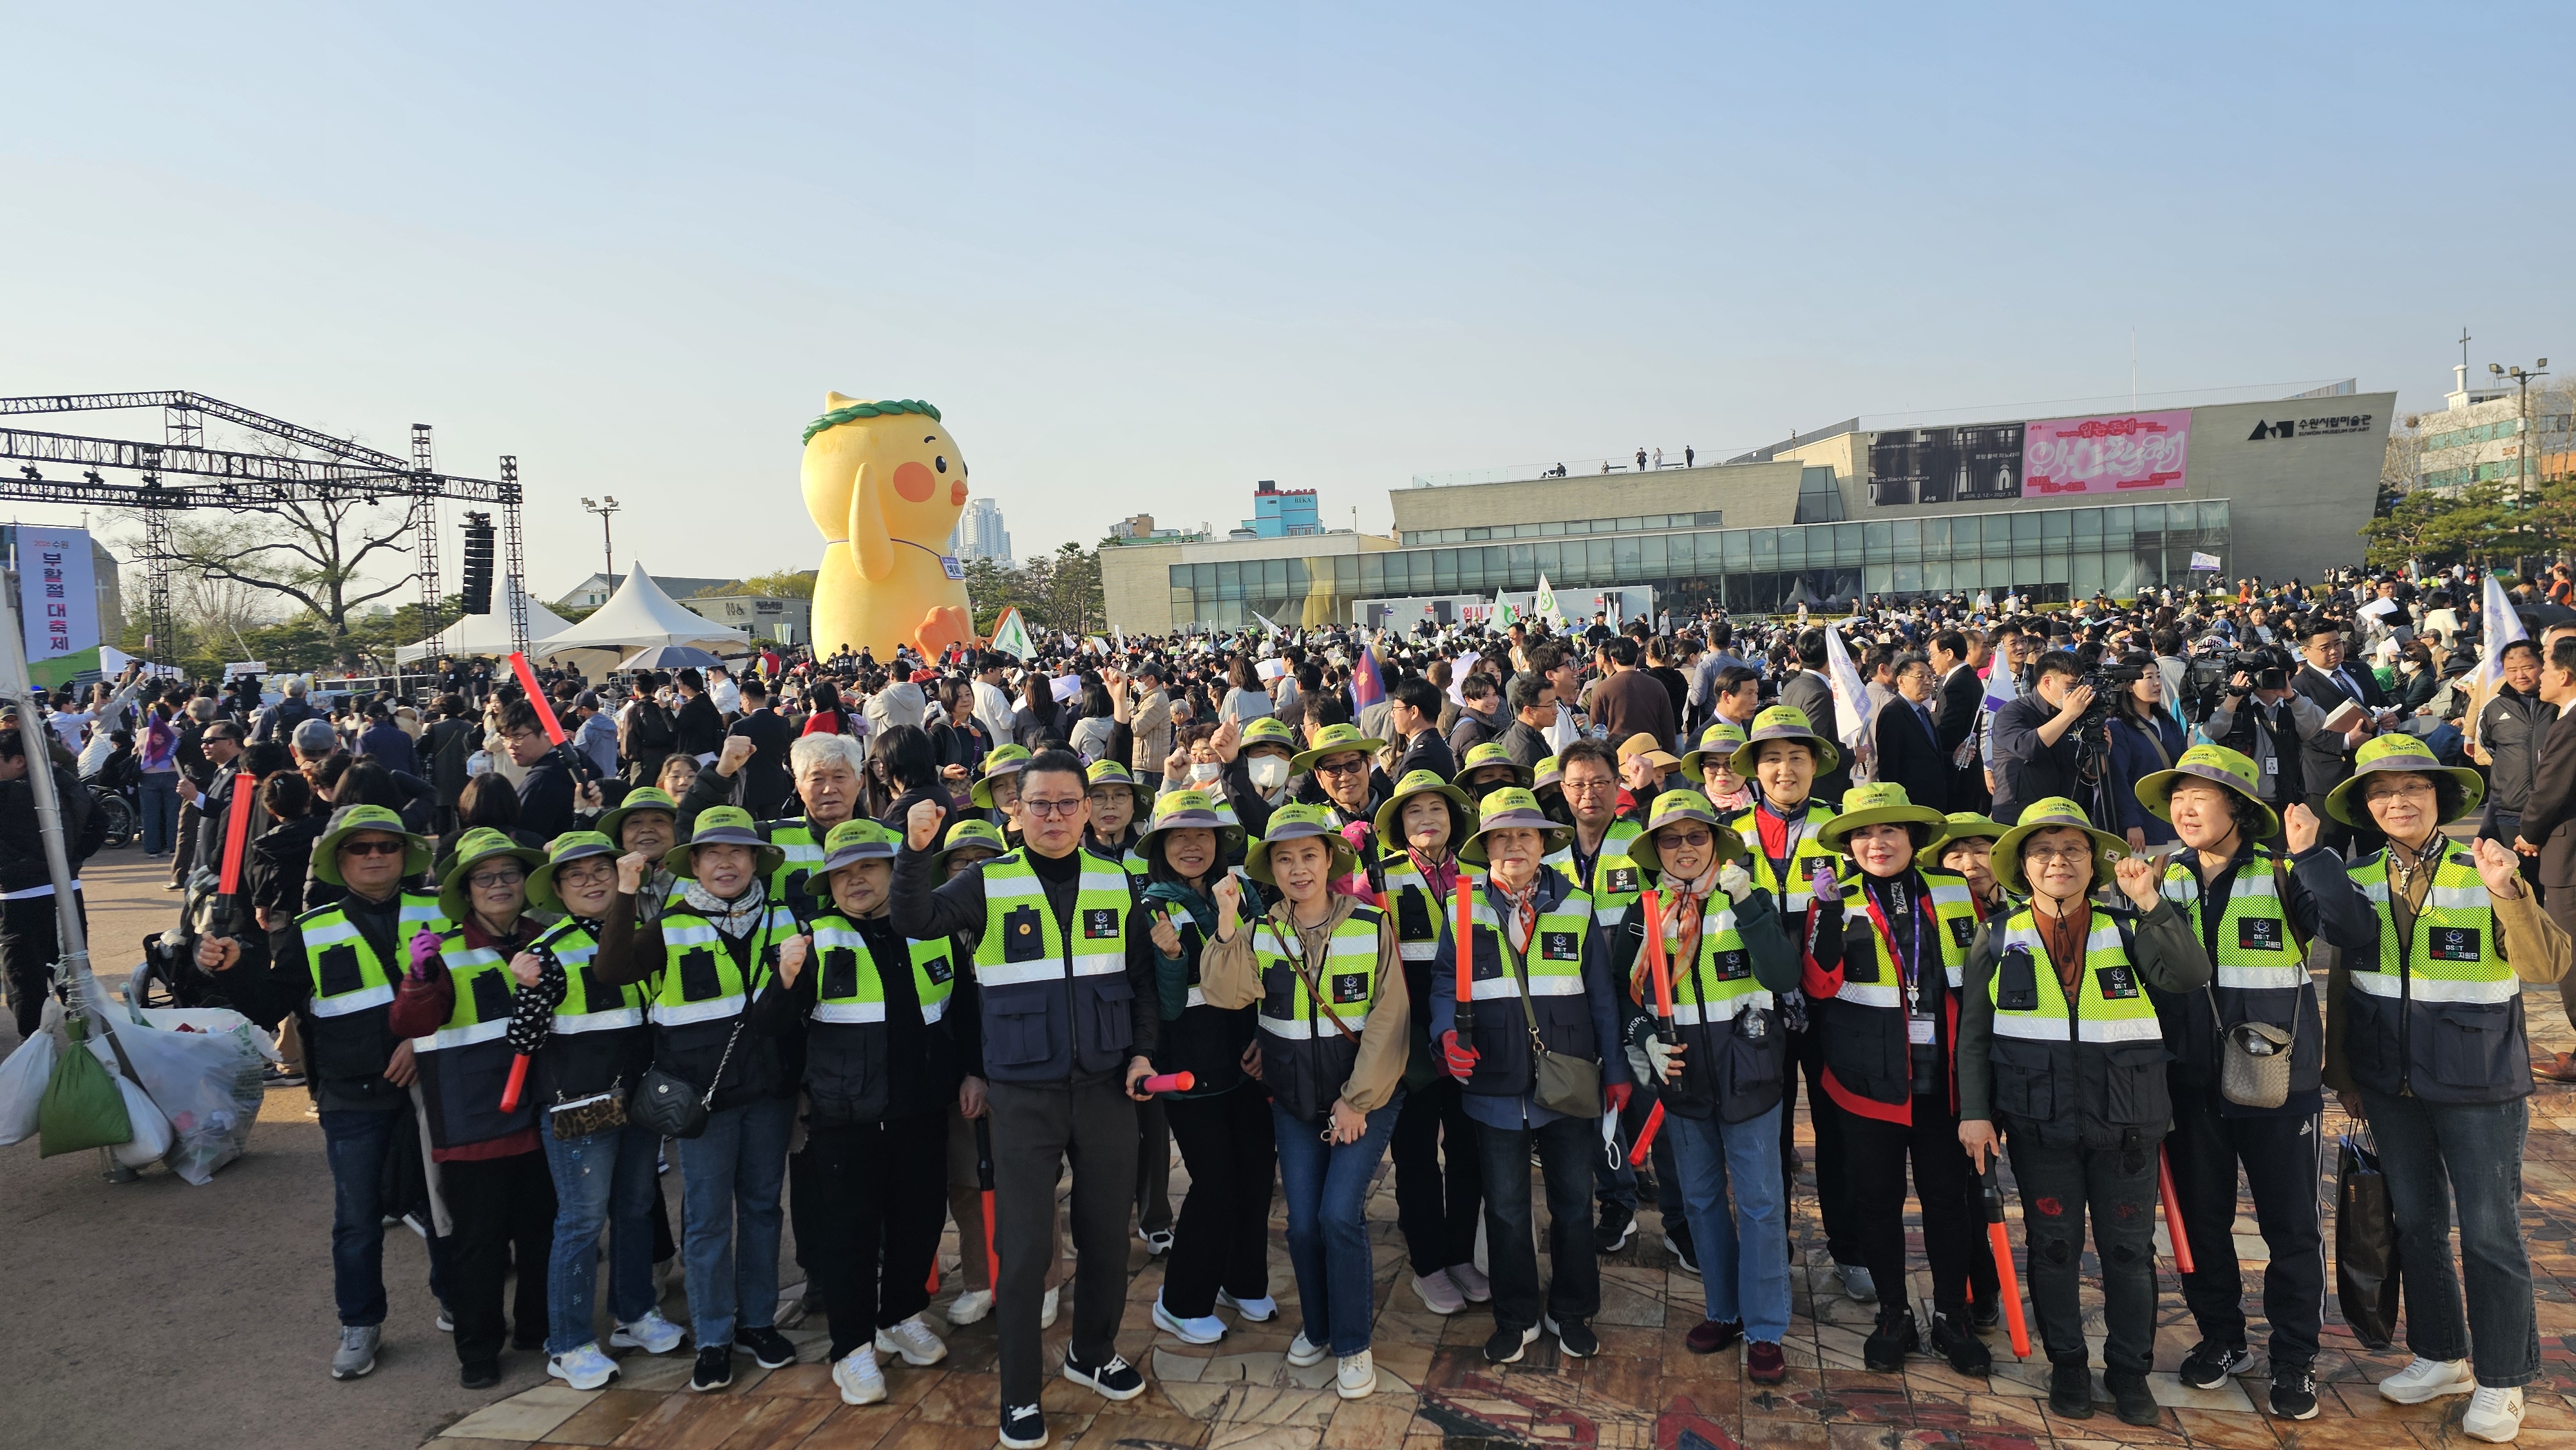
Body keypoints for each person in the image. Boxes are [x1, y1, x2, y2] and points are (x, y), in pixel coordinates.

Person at [892, 748, 1160, 1450]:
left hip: (1105, 1088)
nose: (1054, 816)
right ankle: (1018, 1393)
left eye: (1068, 803)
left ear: (1086, 808)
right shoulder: (987, 881)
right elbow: (913, 918)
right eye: (1039, 803)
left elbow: (1139, 979)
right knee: (1024, 1248)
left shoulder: (1116, 879)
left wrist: (1142, 1053)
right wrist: (914, 853)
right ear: (1016, 809)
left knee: (1107, 1237)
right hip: (1022, 1094)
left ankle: (1092, 1351)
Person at [2322, 735, 2567, 1444]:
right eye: (2381, 791)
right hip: (2389, 1083)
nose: (2397, 801)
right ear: (2366, 807)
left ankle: (2503, 1377)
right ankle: (2441, 1354)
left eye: (2413, 787)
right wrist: (2346, 1076)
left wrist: (2506, 892)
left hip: (2479, 1082)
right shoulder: (2356, 876)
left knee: (2490, 1231)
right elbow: (2344, 983)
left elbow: (2546, 963)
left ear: (2440, 797)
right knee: (2415, 1224)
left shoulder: (2483, 866)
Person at [1956, 797, 2211, 1427]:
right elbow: (1975, 1034)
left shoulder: (2127, 926)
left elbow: (2188, 974)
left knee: (2128, 1252)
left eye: (2072, 849)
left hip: (2127, 1123)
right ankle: (2068, 1363)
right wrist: (1976, 1111)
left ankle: (2129, 1370)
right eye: (2043, 850)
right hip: (2039, 1123)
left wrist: (2151, 903)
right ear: (2023, 865)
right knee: (2053, 1247)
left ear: (2093, 862)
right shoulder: (1998, 935)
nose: (2058, 861)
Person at [193, 804, 450, 1381]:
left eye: (387, 845)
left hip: (434, 1088)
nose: (376, 856)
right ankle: (360, 1323)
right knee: (357, 1219)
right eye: (361, 847)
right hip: (351, 1096)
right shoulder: (312, 928)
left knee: (443, 1205)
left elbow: (471, 995)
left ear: (405, 854)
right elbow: (268, 1005)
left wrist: (423, 1044)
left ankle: (455, 1297)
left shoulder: (440, 912)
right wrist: (231, 968)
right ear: (340, 860)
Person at [2132, 746, 2351, 1420]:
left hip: (2276, 1083)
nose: (2185, 808)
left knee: (2291, 1226)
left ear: (2239, 808)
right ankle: (2223, 1338)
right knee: (2202, 1222)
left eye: (2201, 795)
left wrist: (2313, 856)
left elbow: (2351, 930)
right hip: (2190, 1084)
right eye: (2178, 797)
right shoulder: (2160, 877)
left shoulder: (2283, 871)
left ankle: (2294, 1357)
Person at [753, 818, 969, 1406]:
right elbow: (772, 1028)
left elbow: (963, 1012)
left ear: (894, 873)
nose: (854, 881)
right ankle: (851, 1349)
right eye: (841, 873)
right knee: (848, 1237)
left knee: (920, 1223)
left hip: (921, 1110)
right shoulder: (815, 940)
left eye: (867, 867)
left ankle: (900, 1317)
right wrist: (785, 980)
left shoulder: (931, 932)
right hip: (844, 1120)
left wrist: (972, 1073)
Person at [592, 806, 804, 1392]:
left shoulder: (784, 918)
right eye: (713, 853)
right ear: (695, 863)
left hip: (768, 1094)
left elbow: (797, 1008)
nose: (726, 863)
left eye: (738, 852)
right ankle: (713, 1335)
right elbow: (611, 968)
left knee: (762, 1209)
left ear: (755, 860)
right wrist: (625, 893)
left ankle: (757, 1322)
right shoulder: (672, 923)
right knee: (708, 1219)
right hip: (703, 1102)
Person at [1200, 803, 1408, 1399]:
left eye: (1309, 856)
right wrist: (1226, 919)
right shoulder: (1263, 931)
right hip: (1294, 1102)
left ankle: (1353, 1343)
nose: (1298, 870)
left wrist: (1356, 1101)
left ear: (1329, 861)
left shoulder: (1369, 925)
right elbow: (1224, 992)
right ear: (1271, 869)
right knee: (1300, 1227)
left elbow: (1390, 1020)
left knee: (1339, 1216)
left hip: (1364, 1098)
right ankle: (1317, 1327)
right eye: (1285, 859)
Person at [1429, 786, 1631, 1364]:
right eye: (1501, 836)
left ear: (1544, 844)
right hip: (1492, 1082)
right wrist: (1446, 1036)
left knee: (1573, 1203)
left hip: (1567, 1081)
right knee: (1506, 1210)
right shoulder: (1462, 907)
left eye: (1525, 835)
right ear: (1485, 846)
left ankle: (1572, 1311)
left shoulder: (1577, 905)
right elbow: (1443, 984)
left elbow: (1601, 996)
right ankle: (1516, 1317)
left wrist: (1616, 1069)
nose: (1514, 845)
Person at [1805, 783, 1991, 1375]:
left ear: (1913, 837)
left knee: (1948, 1203)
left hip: (1944, 1085)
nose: (1877, 842)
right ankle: (1893, 1313)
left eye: (1890, 830)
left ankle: (1952, 1315)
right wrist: (1827, 915)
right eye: (1863, 833)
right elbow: (1818, 983)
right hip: (1866, 1083)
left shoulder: (1954, 890)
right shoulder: (1836, 898)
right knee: (1877, 1202)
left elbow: (1983, 978)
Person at [1611, 789, 1795, 1382]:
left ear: (1715, 842)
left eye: (1697, 836)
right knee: (1700, 1199)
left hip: (1749, 1070)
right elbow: (1622, 993)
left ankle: (1764, 1327)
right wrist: (1645, 1040)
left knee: (1761, 1203)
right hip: (1682, 1075)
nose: (1685, 848)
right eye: (1671, 839)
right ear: (1655, 849)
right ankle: (1724, 1310)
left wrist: (1749, 907)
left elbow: (1783, 975)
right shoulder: (1643, 910)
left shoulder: (1747, 895)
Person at [506, 830, 686, 1391]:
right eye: (575, 875)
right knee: (581, 1223)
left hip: (641, 1099)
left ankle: (634, 1314)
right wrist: (528, 989)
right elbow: (523, 1040)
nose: (590, 882)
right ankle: (568, 1344)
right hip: (579, 1109)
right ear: (558, 890)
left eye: (600, 870)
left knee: (635, 1208)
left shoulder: (641, 935)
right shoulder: (547, 950)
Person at [390, 827, 559, 1388]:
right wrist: (418, 978)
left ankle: (536, 1327)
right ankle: (478, 1349)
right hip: (471, 1123)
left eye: (509, 874)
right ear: (465, 892)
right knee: (478, 1245)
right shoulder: (442, 951)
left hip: (541, 1116)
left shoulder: (546, 939)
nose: (499, 885)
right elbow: (411, 1023)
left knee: (541, 1232)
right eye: (485, 878)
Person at [1722, 707, 1867, 1297]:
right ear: (1755, 770)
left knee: (1837, 1129)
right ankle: (1770, 1248)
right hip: (1757, 999)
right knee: (1768, 1133)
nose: (1785, 770)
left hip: (1832, 1001)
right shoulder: (1727, 832)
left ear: (1815, 765)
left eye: (1797, 758)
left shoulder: (1840, 828)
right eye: (1773, 760)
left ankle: (1850, 1249)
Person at [1135, 790, 1277, 1344]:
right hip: (1189, 1068)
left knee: (1256, 1175)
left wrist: (1264, 1035)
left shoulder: (1240, 892)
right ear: (1161, 847)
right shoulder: (1151, 907)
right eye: (1179, 837)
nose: (1192, 845)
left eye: (1202, 835)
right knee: (1215, 1183)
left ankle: (1241, 1281)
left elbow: (1268, 968)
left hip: (1246, 1060)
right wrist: (1171, 958)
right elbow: (1166, 1006)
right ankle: (1180, 1301)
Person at [1370, 769, 1488, 1315]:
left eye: (1436, 809)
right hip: (1409, 1038)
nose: (1426, 819)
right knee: (1416, 1153)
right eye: (1413, 811)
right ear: (1398, 824)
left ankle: (1460, 1254)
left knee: (1468, 1149)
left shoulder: (1479, 874)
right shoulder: (1381, 877)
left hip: (1469, 1033)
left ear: (1454, 818)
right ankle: (1428, 1263)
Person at [0, 720, 96, 1038]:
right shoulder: (64, 782)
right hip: (66, 889)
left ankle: (35, 1046)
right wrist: (71, 861)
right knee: (72, 970)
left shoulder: (9, 792)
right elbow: (98, 821)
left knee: (24, 978)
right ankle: (88, 1040)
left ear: (19, 761)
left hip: (20, 896)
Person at [1988, 652, 2093, 830]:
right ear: (2048, 682)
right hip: (2020, 818)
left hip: (2066, 816)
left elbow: (2090, 773)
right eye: (2071, 686)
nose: (2076, 693)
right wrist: (2068, 716)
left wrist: (2103, 749)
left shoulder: (2076, 716)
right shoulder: (2013, 712)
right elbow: (2027, 748)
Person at [2106, 658, 2186, 850]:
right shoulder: (2117, 726)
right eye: (2149, 678)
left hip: (2172, 821)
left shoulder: (2168, 722)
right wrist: (2132, 823)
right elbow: (2118, 779)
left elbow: (2184, 767)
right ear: (2129, 685)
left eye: (2158, 676)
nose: (2157, 683)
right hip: (2142, 826)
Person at [1871, 654, 1949, 814]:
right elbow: (1889, 767)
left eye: (1930, 676)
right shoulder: (1893, 714)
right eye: (1920, 677)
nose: (1928, 682)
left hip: (1933, 803)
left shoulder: (1923, 711)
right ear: (1901, 681)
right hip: (1910, 806)